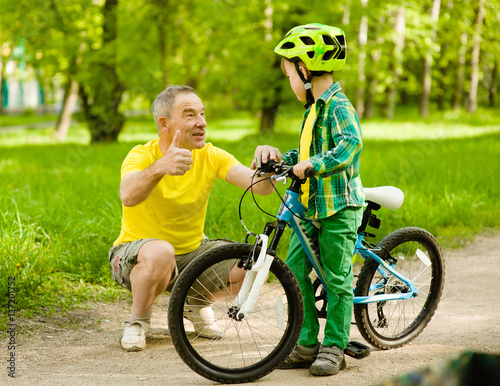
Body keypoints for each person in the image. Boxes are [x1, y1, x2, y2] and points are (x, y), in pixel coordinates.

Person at [109, 85, 275, 352]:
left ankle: (194, 305)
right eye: (190, 115)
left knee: (258, 264)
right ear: (164, 123)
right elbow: (127, 195)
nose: (202, 123)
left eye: (202, 114)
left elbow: (261, 187)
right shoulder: (142, 154)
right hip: (136, 255)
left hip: (192, 253)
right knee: (162, 251)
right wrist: (161, 167)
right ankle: (138, 322)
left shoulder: (210, 155)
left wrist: (266, 162)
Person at [253, 23, 364, 376]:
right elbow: (308, 151)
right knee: (296, 269)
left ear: (304, 70)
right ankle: (305, 343)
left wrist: (313, 164)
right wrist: (282, 160)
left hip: (338, 206)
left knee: (336, 278)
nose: (289, 83)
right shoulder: (312, 110)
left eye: (288, 74)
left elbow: (350, 145)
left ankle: (335, 346)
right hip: (309, 202)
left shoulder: (338, 106)